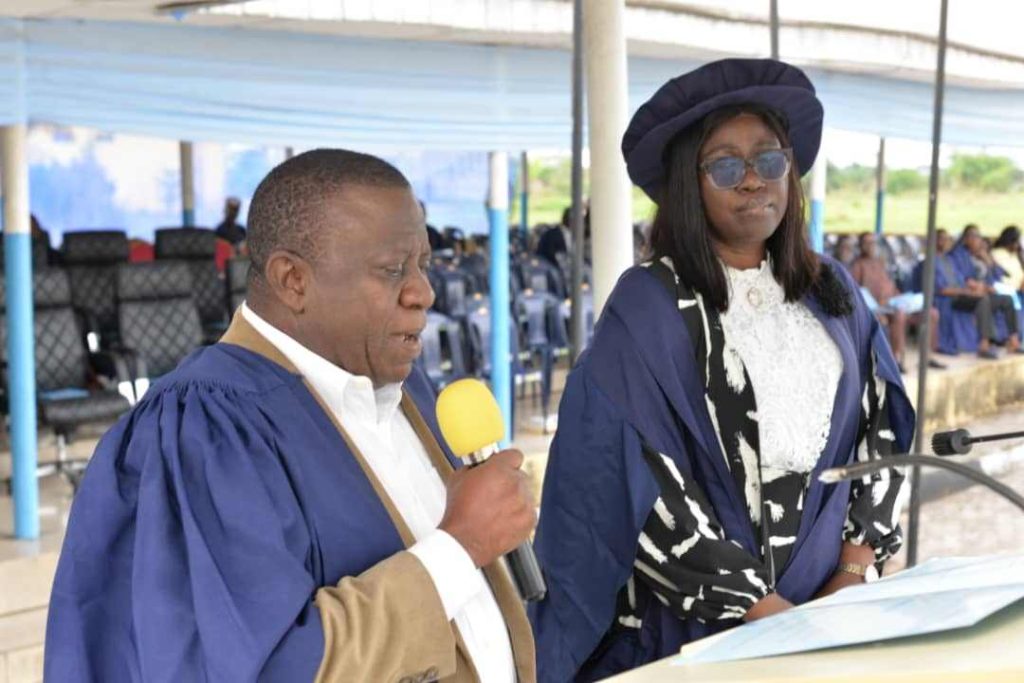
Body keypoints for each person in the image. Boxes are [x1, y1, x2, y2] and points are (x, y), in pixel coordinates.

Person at [45, 150, 537, 682]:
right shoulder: (206, 432)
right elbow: (263, 669)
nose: (423, 292)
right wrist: (461, 546)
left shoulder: (402, 384)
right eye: (393, 270)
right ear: (293, 279)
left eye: (423, 263)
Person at [530, 59, 915, 681]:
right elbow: (632, 480)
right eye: (726, 166)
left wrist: (851, 572)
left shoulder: (830, 288)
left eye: (769, 159)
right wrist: (769, 615)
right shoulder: (649, 305)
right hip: (701, 631)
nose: (753, 181)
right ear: (690, 185)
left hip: (831, 607)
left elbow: (884, 427)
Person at [849, 232, 943, 373]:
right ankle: (896, 360)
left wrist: (902, 297)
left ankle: (927, 356)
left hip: (895, 303)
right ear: (860, 246)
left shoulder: (879, 262)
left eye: (873, 242)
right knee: (900, 315)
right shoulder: (858, 266)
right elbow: (857, 294)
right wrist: (874, 312)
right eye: (867, 242)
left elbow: (890, 286)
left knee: (932, 313)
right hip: (880, 308)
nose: (871, 245)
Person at [952, 225, 1021, 354]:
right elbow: (958, 277)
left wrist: (987, 260)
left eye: (979, 236)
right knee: (984, 301)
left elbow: (999, 275)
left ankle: (1014, 342)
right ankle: (984, 345)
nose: (979, 240)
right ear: (966, 239)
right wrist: (974, 285)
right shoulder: (958, 255)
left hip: (982, 293)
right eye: (975, 236)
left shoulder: (979, 255)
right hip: (962, 295)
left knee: (1007, 300)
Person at [991, 225, 1024, 297]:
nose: (1019, 245)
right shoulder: (997, 254)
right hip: (1009, 291)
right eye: (1017, 242)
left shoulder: (1015, 254)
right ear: (1010, 242)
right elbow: (1005, 278)